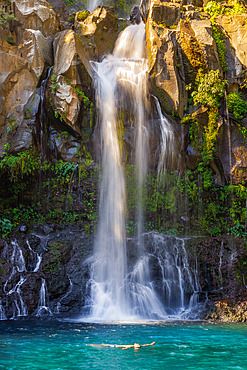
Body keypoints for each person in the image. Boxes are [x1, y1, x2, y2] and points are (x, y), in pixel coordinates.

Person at [88, 342, 155, 350]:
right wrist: (125, 348)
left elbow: (145, 345)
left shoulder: (138, 346)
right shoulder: (132, 346)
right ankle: (91, 344)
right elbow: (145, 345)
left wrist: (150, 344)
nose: (137, 344)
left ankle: (91, 345)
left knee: (102, 345)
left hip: (114, 346)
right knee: (102, 345)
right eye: (136, 344)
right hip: (114, 346)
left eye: (137, 344)